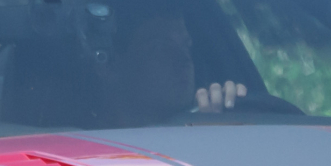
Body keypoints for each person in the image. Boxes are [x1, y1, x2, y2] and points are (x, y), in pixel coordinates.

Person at [103, 13, 248, 124]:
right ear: (112, 66)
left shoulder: (204, 125)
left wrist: (229, 113)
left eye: (185, 46)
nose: (184, 59)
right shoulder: (85, 147)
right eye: (161, 47)